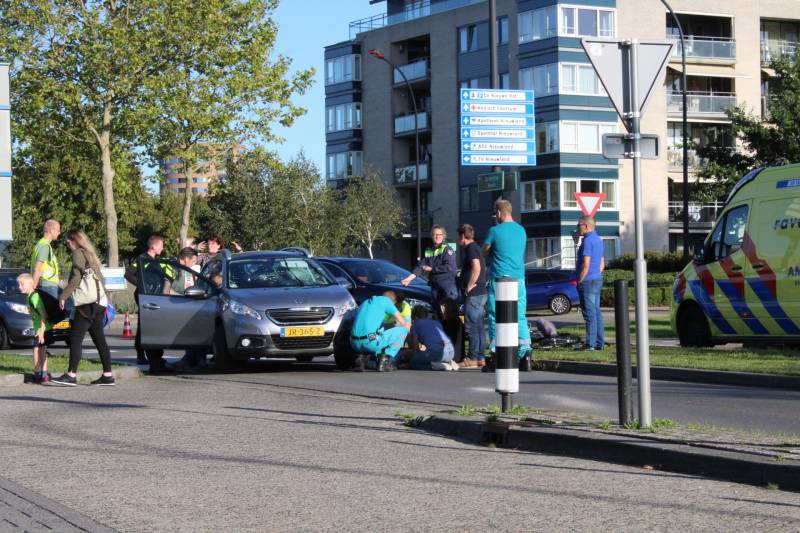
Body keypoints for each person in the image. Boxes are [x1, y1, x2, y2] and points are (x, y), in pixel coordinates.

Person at [52, 229, 114, 386]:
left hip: (87, 304)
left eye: (67, 242)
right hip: (100, 302)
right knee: (99, 339)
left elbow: (76, 277)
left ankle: (71, 375)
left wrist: (63, 296)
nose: (66, 245)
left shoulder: (78, 253)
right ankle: (107, 375)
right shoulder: (90, 253)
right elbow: (100, 278)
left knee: (75, 338)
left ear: (74, 240)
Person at [483, 199, 532, 372]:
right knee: (520, 316)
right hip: (519, 279)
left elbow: (485, 250)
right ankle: (525, 354)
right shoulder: (521, 230)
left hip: (500, 280)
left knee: (495, 316)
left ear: (498, 213)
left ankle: (497, 355)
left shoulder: (494, 231)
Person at [126, 235, 175, 372]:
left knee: (151, 324)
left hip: (154, 295)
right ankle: (141, 354)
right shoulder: (142, 259)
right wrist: (141, 286)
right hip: (144, 295)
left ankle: (153, 353)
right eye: (161, 245)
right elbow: (128, 274)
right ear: (153, 247)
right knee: (144, 325)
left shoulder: (157, 260)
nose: (163, 248)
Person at [401, 225, 458, 320]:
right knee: (437, 313)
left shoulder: (447, 249)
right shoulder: (428, 250)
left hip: (447, 285)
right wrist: (409, 279)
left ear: (443, 236)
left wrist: (432, 269)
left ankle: (451, 334)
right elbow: (420, 267)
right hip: (435, 286)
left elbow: (451, 268)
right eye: (434, 234)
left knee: (449, 314)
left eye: (439, 234)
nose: (436, 236)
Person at [350, 290, 410, 372]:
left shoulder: (366, 302)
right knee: (404, 330)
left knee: (378, 332)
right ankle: (385, 361)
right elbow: (404, 323)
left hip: (354, 343)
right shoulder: (387, 301)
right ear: (394, 301)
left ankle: (361, 359)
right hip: (370, 342)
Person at [457, 224, 487, 368]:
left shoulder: (471, 248)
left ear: (463, 236)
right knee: (479, 325)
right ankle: (481, 357)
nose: (458, 240)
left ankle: (473, 357)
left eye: (458, 237)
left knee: (473, 326)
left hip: (474, 293)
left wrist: (469, 285)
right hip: (481, 292)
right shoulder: (476, 247)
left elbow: (477, 267)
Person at [575, 216, 605, 351]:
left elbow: (585, 264)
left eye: (578, 225)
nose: (577, 227)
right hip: (597, 279)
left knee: (589, 313)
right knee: (597, 312)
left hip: (587, 281)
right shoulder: (599, 240)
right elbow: (602, 264)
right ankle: (600, 343)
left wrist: (580, 280)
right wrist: (595, 274)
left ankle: (590, 344)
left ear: (586, 226)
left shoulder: (587, 241)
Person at [17, 273, 51, 384]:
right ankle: (43, 375)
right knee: (40, 350)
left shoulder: (34, 296)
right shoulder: (29, 297)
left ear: (30, 284)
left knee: (37, 350)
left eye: (22, 284)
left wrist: (41, 331)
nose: (19, 287)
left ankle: (38, 376)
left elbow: (43, 315)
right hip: (40, 328)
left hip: (42, 328)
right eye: (19, 285)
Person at [402, 306, 458, 371]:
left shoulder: (415, 325)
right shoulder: (436, 323)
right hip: (451, 352)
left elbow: (415, 349)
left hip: (437, 353)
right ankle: (449, 362)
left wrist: (408, 359)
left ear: (415, 317)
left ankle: (439, 366)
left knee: (414, 362)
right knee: (430, 354)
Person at [30, 219, 61, 300]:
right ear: (52, 231)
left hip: (45, 285)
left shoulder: (40, 244)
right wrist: (32, 290)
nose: (59, 233)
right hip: (48, 287)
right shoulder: (45, 246)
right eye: (58, 230)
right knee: (51, 312)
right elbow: (37, 269)